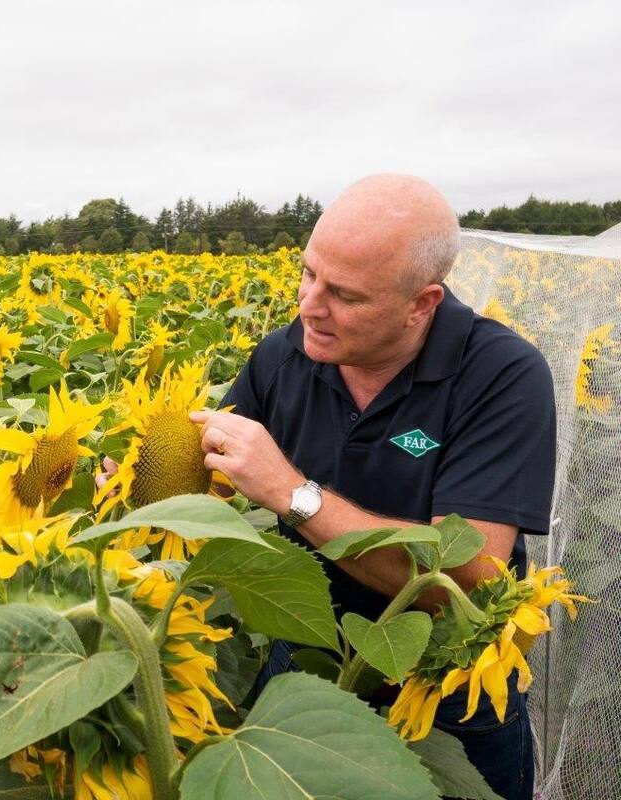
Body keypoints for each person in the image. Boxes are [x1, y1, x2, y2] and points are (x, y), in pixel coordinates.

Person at [98, 174, 555, 800]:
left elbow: (471, 573)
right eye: (309, 274)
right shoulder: (282, 356)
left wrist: (293, 492)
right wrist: (141, 485)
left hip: (450, 685)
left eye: (344, 294)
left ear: (421, 303)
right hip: (312, 657)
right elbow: (217, 480)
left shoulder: (501, 376)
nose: (310, 305)